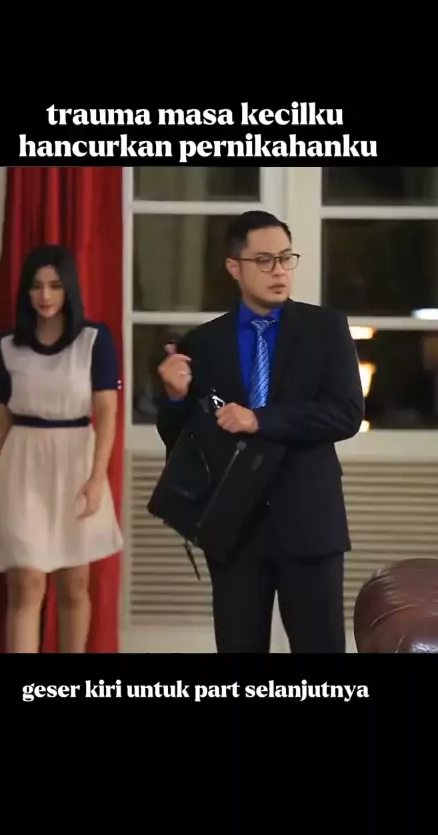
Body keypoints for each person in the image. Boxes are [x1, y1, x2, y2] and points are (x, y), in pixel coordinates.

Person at [155, 211, 364, 654]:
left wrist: (261, 419)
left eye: (286, 258)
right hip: (234, 524)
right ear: (234, 267)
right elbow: (181, 440)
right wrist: (173, 397)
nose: (279, 271)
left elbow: (346, 414)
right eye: (264, 260)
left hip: (309, 521)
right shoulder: (205, 342)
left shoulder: (326, 328)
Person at [0, 244, 123, 654]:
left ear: (68, 288)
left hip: (76, 465)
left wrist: (97, 478)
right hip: (21, 468)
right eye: (37, 286)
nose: (45, 295)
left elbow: (107, 412)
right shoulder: (8, 346)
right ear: (26, 291)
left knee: (74, 584)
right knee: (26, 582)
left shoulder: (94, 341)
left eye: (55, 285)